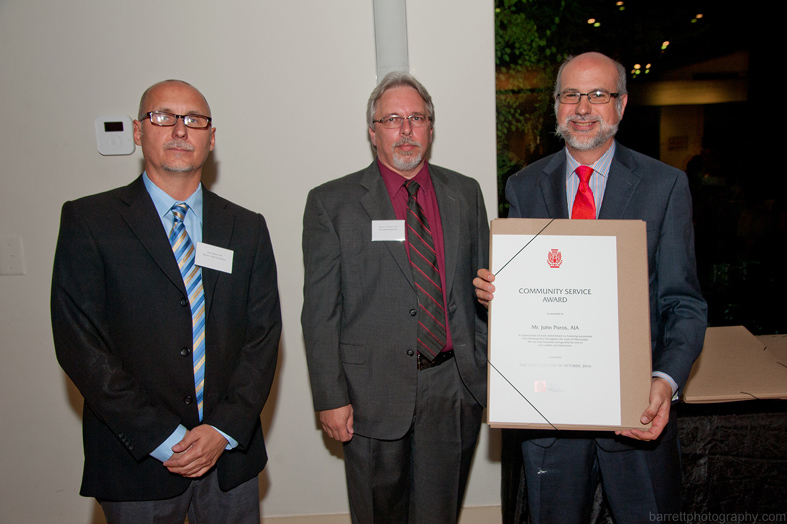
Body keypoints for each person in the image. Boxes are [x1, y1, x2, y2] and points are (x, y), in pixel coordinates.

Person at [474, 52, 707, 522]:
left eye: (598, 94)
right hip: (549, 419)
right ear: (556, 106)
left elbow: (684, 304)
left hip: (636, 415)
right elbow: (524, 292)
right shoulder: (523, 185)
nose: (583, 107)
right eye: (571, 95)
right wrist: (496, 294)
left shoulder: (665, 186)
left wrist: (664, 382)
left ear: (621, 105)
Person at [51, 80, 282, 523]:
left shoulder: (246, 227)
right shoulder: (90, 221)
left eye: (194, 120)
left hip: (229, 457)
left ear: (211, 139)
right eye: (163, 117)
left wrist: (222, 429)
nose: (180, 130)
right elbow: (81, 346)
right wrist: (163, 437)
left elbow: (264, 337)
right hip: (136, 458)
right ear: (139, 132)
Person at [301, 72, 489, 523]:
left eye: (416, 118)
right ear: (373, 131)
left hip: (452, 387)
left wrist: (481, 369)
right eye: (392, 120)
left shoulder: (465, 192)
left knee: (439, 513)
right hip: (371, 393)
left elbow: (483, 289)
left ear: (430, 127)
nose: (406, 130)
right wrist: (330, 395)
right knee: (378, 513)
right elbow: (320, 311)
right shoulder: (333, 203)